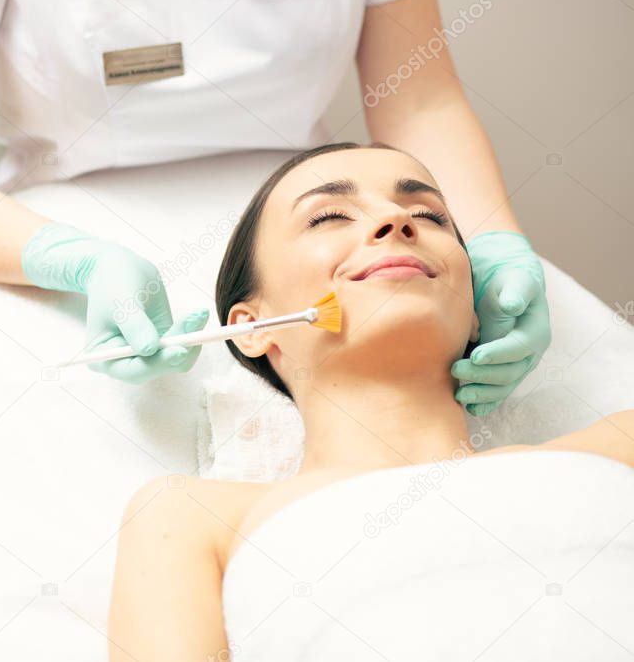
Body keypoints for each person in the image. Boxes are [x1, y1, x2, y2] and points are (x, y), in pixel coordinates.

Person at [0, 0, 549, 413]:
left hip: (305, 211)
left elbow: (419, 100)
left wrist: (490, 242)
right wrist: (71, 261)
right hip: (54, 226)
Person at [106, 143, 633, 660]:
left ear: (479, 309)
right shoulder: (193, 519)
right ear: (251, 328)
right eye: (329, 216)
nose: (396, 222)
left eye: (428, 215)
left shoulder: (619, 445)